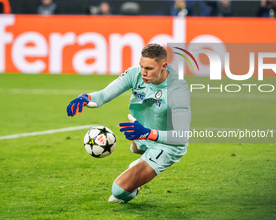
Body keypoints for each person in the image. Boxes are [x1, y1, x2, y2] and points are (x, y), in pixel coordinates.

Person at [66, 44, 191, 203]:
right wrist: (86, 97)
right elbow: (104, 95)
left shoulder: (178, 90)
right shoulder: (135, 74)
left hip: (167, 144)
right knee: (135, 148)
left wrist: (148, 133)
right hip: (142, 131)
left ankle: (138, 175)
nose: (143, 72)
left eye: (149, 68)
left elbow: (181, 137)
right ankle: (141, 159)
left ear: (164, 66)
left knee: (118, 192)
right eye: (141, 66)